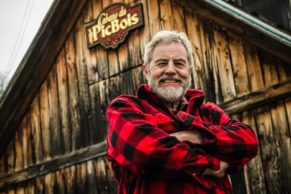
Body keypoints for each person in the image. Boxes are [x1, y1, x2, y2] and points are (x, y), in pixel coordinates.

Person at [106, 30, 258, 194]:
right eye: (162, 63)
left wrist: (194, 136)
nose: (170, 70)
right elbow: (146, 153)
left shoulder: (209, 112)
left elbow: (248, 142)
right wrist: (210, 165)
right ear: (146, 70)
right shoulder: (125, 108)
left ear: (189, 72)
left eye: (179, 63)